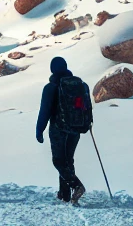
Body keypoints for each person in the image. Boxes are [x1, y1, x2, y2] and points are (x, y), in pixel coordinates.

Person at [36, 56, 89, 206]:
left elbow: (44, 111)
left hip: (58, 129)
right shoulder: (80, 85)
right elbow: (87, 107)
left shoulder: (51, 87)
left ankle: (76, 185)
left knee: (58, 160)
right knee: (68, 160)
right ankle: (64, 194)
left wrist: (39, 130)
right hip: (75, 127)